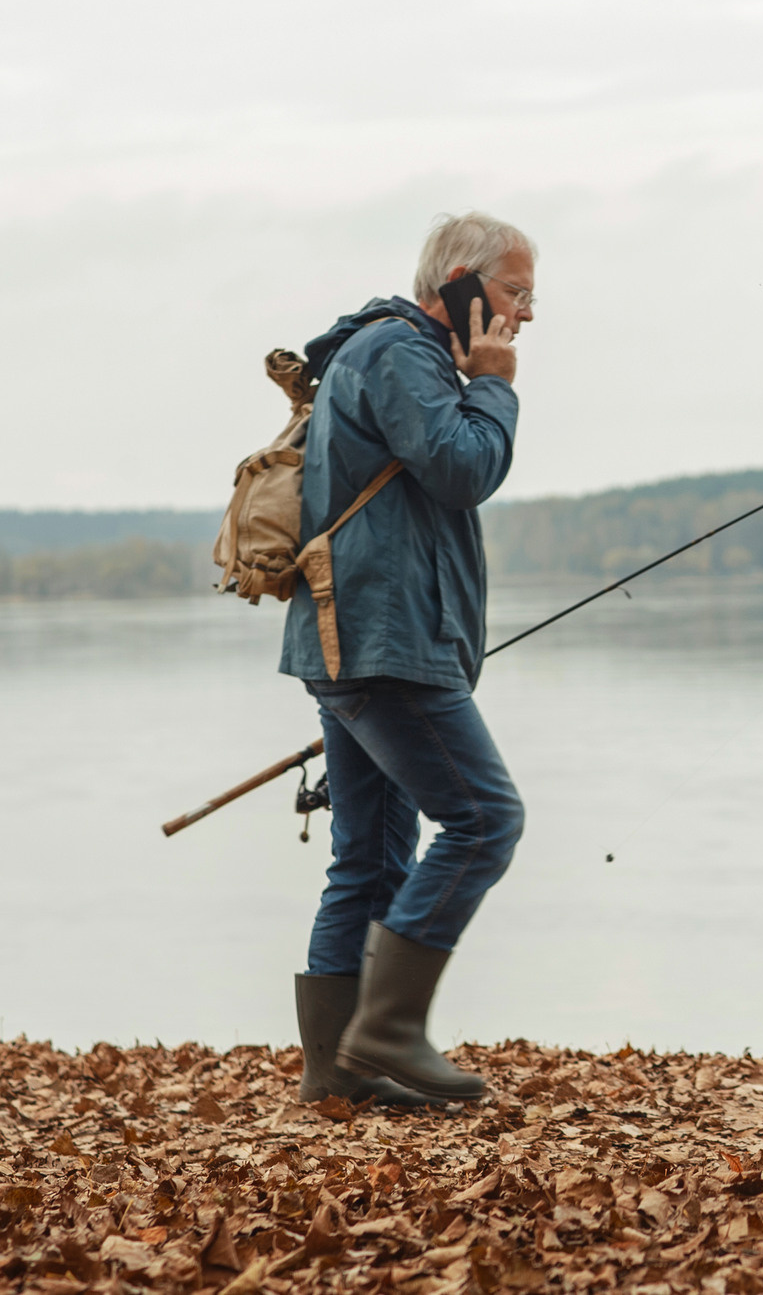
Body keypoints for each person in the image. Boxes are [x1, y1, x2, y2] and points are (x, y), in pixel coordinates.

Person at [286, 211, 536, 1109]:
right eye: (515, 292)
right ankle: (387, 1028)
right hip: (387, 644)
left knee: (370, 856)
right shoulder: (401, 353)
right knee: (483, 818)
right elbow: (463, 467)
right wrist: (496, 384)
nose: (526, 315)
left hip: (359, 640)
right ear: (461, 284)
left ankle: (335, 1072)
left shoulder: (385, 352)